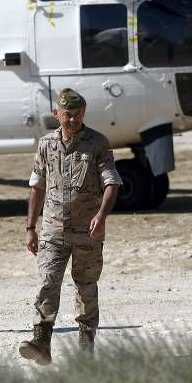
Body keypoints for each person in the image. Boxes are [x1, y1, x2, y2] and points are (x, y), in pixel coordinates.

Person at [19, 89, 121, 365]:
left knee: (85, 286)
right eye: (67, 115)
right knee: (47, 281)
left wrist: (101, 215)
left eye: (77, 115)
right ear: (57, 114)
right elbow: (37, 186)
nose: (72, 120)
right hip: (53, 229)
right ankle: (41, 341)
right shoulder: (46, 144)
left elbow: (111, 183)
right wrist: (30, 227)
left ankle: (86, 348)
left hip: (87, 232)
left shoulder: (98, 143)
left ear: (84, 114)